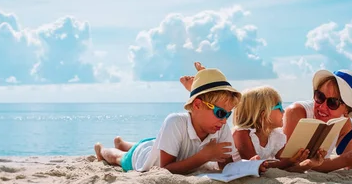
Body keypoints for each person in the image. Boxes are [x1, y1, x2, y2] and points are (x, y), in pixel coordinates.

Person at [94, 68, 242, 174]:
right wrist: (205, 156)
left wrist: (248, 165)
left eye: (228, 115)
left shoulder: (219, 127)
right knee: (119, 157)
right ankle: (103, 149)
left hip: (160, 145)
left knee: (149, 144)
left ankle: (122, 143)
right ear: (197, 105)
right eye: (220, 113)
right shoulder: (175, 122)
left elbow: (227, 166)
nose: (224, 121)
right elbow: (165, 169)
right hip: (145, 156)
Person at [181, 64, 326, 172]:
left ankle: (198, 86)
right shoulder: (242, 134)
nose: (284, 111)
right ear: (263, 115)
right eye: (279, 108)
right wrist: (289, 161)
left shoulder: (276, 136)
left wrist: (304, 161)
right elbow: (255, 164)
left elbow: (284, 164)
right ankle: (197, 88)